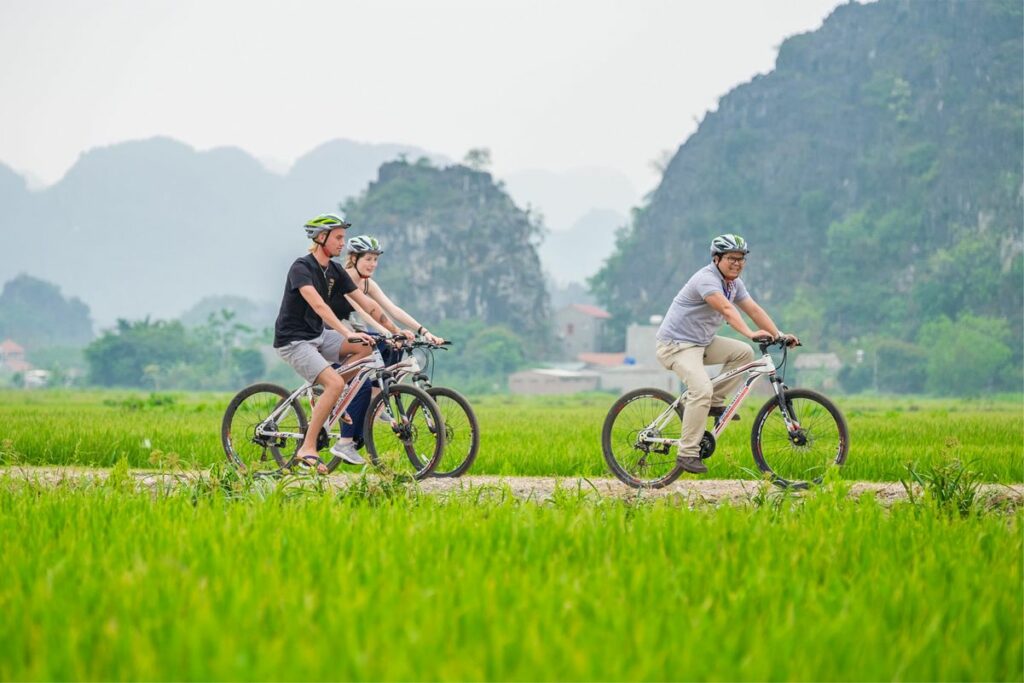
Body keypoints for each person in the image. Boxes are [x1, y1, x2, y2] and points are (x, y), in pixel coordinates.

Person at [273, 213, 413, 474]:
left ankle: (336, 400)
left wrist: (395, 332)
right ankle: (308, 448)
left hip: (318, 336)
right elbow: (319, 305)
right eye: (338, 238)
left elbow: (366, 303)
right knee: (335, 382)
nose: (342, 243)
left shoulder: (335, 270)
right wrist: (345, 332)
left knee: (367, 347)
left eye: (343, 238)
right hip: (294, 340)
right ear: (321, 238)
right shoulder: (301, 267)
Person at [655, 234, 798, 474]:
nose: (737, 263)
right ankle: (687, 452)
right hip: (676, 345)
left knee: (743, 353)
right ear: (716, 259)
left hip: (701, 343)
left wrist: (779, 333)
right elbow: (726, 309)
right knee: (700, 389)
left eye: (741, 259)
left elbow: (753, 309)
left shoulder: (734, 284)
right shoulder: (706, 280)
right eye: (732, 258)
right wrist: (751, 333)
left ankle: (713, 403)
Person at [328, 234, 445, 455]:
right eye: (368, 259)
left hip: (354, 334)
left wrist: (424, 331)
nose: (372, 264)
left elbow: (392, 309)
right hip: (331, 334)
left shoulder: (367, 283)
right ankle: (351, 428)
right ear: (354, 258)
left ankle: (376, 399)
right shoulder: (346, 278)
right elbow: (365, 311)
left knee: (394, 346)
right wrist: (386, 332)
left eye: (375, 259)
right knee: (370, 364)